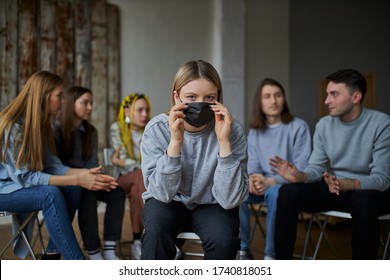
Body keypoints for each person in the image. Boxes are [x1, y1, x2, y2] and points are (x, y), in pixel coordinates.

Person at [270, 69, 390, 260]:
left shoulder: (382, 124)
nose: (327, 101)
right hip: (335, 187)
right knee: (287, 192)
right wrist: (300, 176)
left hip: (369, 192)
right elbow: (317, 168)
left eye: (334, 94)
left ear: (356, 96)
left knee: (362, 201)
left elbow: (383, 180)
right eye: (327, 94)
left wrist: (348, 184)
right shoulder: (323, 125)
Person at [0, 71, 117, 260]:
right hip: (4, 191)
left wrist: (87, 175)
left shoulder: (41, 125)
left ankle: (52, 256)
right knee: (50, 194)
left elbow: (53, 165)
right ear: (44, 95)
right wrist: (78, 178)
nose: (63, 101)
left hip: (19, 187)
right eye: (59, 96)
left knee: (74, 189)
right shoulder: (13, 126)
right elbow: (26, 177)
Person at [140, 59, 249, 260]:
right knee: (155, 232)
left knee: (224, 241)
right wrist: (175, 143)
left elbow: (230, 199)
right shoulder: (156, 129)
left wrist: (224, 143)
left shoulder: (233, 132)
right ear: (176, 97)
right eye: (191, 97)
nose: (200, 103)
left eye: (209, 97)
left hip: (213, 204)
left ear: (218, 100)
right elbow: (161, 194)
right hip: (169, 201)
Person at [238, 78, 311, 260]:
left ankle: (272, 254)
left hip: (288, 186)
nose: (273, 101)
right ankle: (243, 250)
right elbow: (253, 165)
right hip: (263, 183)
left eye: (278, 95)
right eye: (267, 96)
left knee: (275, 193)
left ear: (284, 99)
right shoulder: (255, 131)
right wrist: (254, 180)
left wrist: (272, 181)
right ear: (260, 102)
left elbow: (302, 167)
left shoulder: (298, 127)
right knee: (237, 193)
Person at [53, 86, 125, 260]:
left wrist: (100, 178)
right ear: (71, 103)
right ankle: (93, 252)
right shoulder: (56, 130)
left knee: (117, 191)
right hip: (66, 182)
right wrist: (85, 177)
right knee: (87, 191)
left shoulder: (91, 132)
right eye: (85, 102)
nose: (90, 108)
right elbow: (54, 166)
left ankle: (109, 249)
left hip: (88, 178)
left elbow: (93, 162)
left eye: (91, 103)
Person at [109, 93, 151, 260]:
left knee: (136, 191)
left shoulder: (151, 128)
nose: (145, 114)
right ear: (127, 112)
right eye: (139, 110)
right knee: (140, 176)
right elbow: (124, 160)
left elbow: (124, 160)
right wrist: (121, 161)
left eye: (146, 110)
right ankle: (152, 231)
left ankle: (137, 241)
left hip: (141, 180)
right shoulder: (117, 128)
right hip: (123, 178)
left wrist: (121, 161)